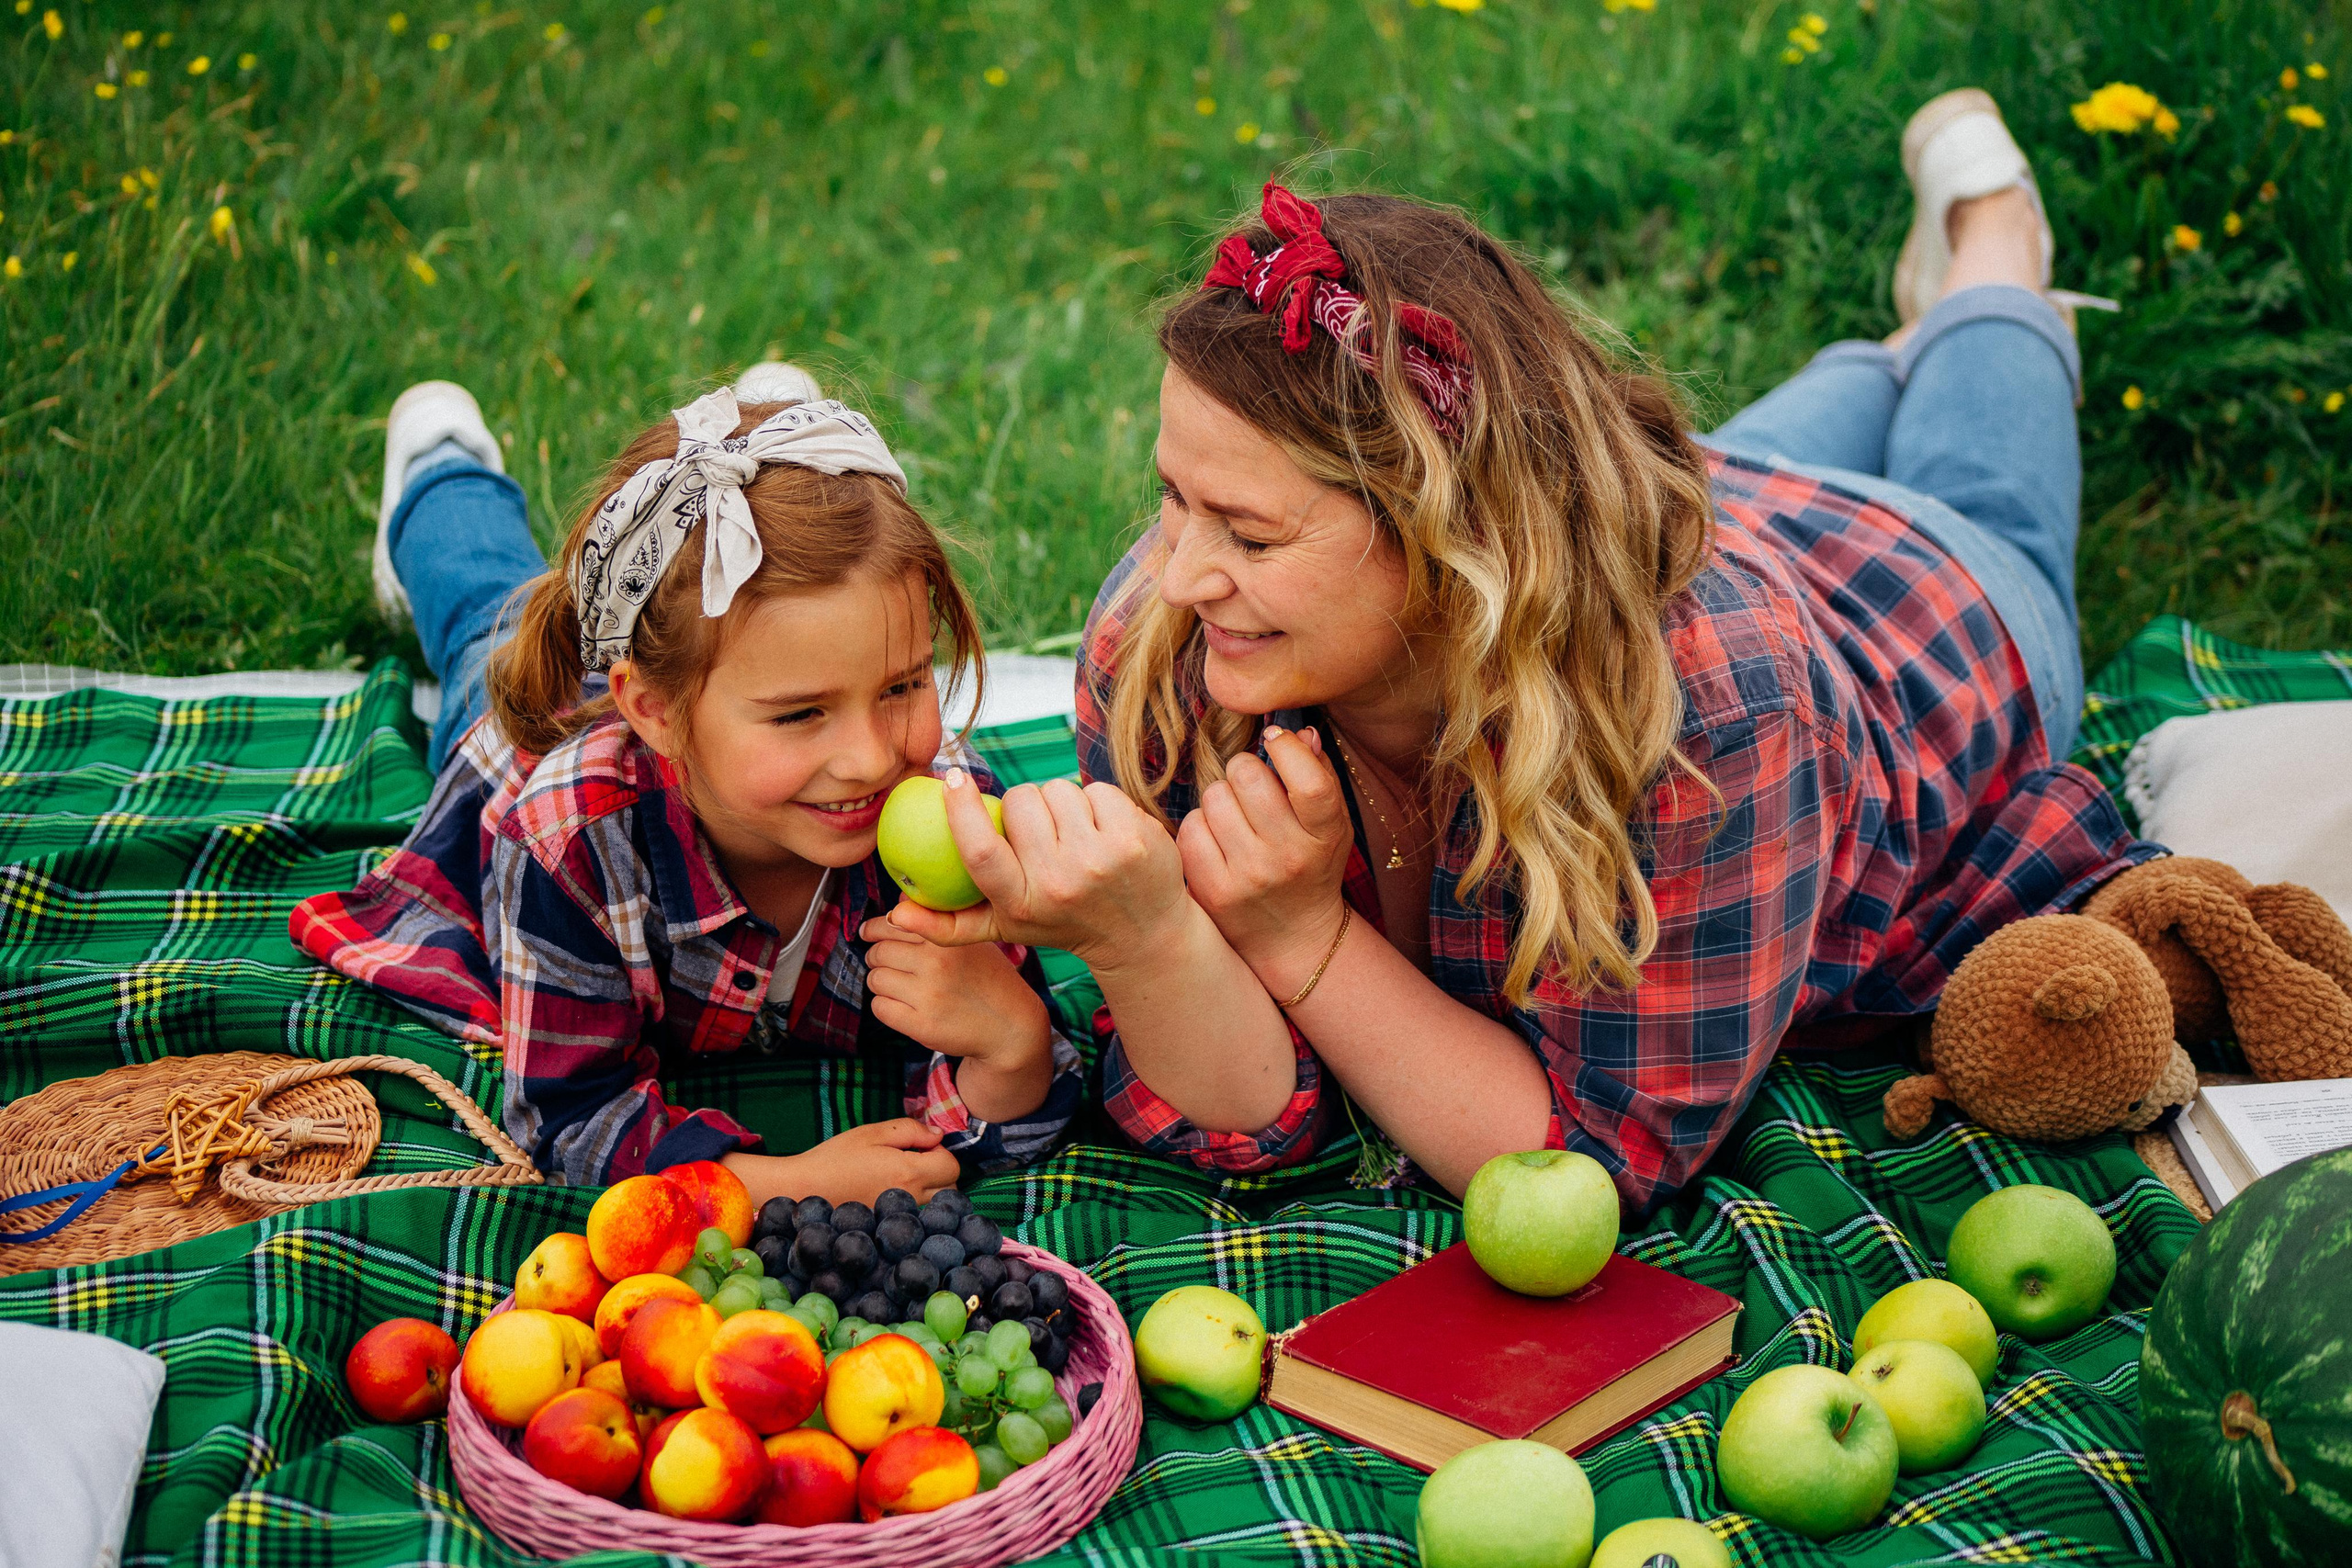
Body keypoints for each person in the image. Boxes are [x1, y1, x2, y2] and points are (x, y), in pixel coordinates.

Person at [889, 90, 2156, 1211]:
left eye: (1252, 533)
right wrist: (1146, 931)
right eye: (1175, 495)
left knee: (1990, 486)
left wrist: (1297, 936)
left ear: (1452, 539)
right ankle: (1883, 356)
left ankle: (1995, 250)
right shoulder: (1170, 643)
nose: (1178, 571)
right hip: (1673, 494)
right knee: (1740, 439)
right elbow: (1241, 1106)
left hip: (1923, 606)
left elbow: (1595, 1154)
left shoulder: (1709, 714)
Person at [289, 367, 1083, 1205]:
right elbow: (568, 1118)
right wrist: (780, 1184)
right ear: (655, 711)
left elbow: (1014, 1114)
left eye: (901, 687)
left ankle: (765, 443)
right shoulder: (563, 841)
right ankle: (441, 460)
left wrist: (1016, 1045)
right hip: (533, 733)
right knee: (484, 619)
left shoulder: (951, 814)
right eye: (801, 714)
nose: (870, 759)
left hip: (689, 671)